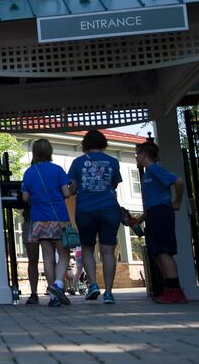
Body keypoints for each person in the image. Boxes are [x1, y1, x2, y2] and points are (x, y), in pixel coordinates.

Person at [68, 130, 123, 304]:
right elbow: (113, 185)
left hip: (86, 210)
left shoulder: (77, 163)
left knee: (87, 248)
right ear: (103, 143)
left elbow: (73, 189)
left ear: (85, 144)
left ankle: (93, 284)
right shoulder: (113, 162)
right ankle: (108, 292)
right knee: (108, 251)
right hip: (109, 209)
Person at [132, 141, 188, 304]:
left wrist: (176, 202)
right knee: (156, 252)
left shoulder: (155, 169)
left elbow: (179, 181)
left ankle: (176, 291)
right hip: (153, 214)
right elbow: (152, 201)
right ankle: (170, 290)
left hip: (162, 213)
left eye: (137, 154)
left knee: (163, 251)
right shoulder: (148, 173)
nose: (136, 157)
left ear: (144, 154)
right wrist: (139, 219)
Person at [21, 139, 73, 307]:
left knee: (47, 257)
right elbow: (66, 193)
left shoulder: (29, 172)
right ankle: (58, 284)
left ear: (35, 153)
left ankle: (53, 297)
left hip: (38, 219)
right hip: (59, 217)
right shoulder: (57, 170)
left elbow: (25, 198)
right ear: (50, 151)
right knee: (64, 255)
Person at [21, 207, 41, 304]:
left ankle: (34, 293)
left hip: (33, 219)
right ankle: (34, 293)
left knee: (33, 260)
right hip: (34, 219)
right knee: (50, 259)